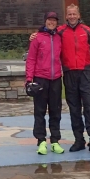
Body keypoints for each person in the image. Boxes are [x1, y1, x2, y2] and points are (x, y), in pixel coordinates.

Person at [31, 4, 90, 154]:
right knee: (74, 109)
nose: (72, 16)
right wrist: (34, 35)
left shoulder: (87, 30)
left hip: (85, 72)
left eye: (74, 14)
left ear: (78, 15)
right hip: (69, 74)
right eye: (69, 14)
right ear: (66, 17)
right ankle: (79, 140)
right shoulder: (60, 31)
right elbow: (46, 32)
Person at [25, 11, 65, 155]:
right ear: (45, 21)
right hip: (40, 79)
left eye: (54, 20)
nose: (51, 22)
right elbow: (31, 60)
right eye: (49, 20)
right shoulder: (37, 38)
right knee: (40, 111)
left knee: (56, 111)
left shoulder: (60, 37)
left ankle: (55, 141)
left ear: (56, 22)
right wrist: (29, 80)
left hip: (55, 79)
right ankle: (41, 141)